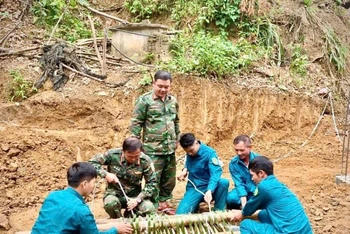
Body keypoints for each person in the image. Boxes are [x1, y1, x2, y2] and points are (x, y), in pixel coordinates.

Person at [32, 162, 133, 234]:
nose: (94, 186)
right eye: (93, 182)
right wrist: (116, 230)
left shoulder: (52, 196)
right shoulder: (81, 211)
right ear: (84, 184)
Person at [130, 70, 180, 214]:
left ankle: (164, 202)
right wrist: (136, 145)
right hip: (152, 148)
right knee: (154, 178)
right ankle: (154, 204)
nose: (163, 89)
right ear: (154, 83)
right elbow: (136, 123)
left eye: (166, 86)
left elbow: (176, 121)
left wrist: (177, 138)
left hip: (169, 148)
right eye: (160, 86)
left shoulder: (173, 101)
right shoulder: (144, 101)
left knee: (169, 178)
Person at [231, 156, 313, 234]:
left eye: (252, 175)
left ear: (261, 173)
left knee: (245, 225)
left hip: (287, 232)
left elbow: (249, 208)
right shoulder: (277, 184)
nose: (252, 179)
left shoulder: (264, 187)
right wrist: (243, 212)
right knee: (263, 214)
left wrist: (241, 214)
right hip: (305, 231)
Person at [88, 137, 158, 218]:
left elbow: (152, 183)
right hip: (115, 193)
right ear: (123, 151)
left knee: (149, 209)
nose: (133, 159)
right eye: (130, 156)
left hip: (135, 196)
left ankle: (131, 215)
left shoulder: (145, 161)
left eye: (136, 156)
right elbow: (91, 163)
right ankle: (117, 220)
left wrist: (138, 199)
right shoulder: (112, 155)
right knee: (110, 204)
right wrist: (106, 174)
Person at [176, 133, 229, 214]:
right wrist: (184, 171)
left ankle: (219, 211)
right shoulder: (190, 151)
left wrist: (210, 190)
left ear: (197, 143)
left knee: (223, 182)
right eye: (187, 152)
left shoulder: (210, 153)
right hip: (195, 188)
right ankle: (195, 206)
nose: (190, 153)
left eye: (191, 150)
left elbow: (215, 173)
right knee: (181, 214)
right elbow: (188, 161)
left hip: (210, 186)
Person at [226, 135, 260, 209]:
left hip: (257, 190)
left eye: (242, 150)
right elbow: (239, 184)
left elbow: (264, 182)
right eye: (236, 150)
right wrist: (244, 204)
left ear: (250, 147)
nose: (239, 153)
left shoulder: (259, 161)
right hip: (243, 190)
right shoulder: (233, 163)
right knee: (230, 199)